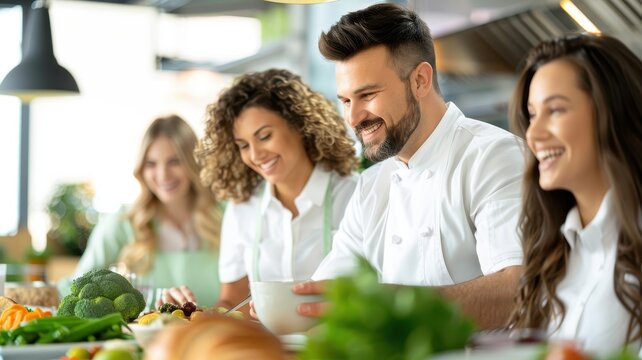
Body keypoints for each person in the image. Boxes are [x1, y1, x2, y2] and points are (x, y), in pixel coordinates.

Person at [293, 3, 525, 329]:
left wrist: (394, 306)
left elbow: (517, 291)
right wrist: (269, 310)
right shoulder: (373, 185)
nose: (353, 117)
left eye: (368, 94)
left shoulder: (493, 156)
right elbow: (328, 292)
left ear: (420, 80)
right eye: (345, 100)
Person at [159, 69, 359, 313]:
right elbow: (232, 304)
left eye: (264, 136)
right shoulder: (243, 207)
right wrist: (190, 312)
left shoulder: (354, 195)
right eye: (243, 145)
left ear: (299, 124)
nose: (255, 155)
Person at [508, 33, 642, 354]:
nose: (533, 134)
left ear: (611, 113)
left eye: (555, 110)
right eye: (532, 114)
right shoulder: (549, 256)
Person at [58, 115, 223, 307]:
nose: (163, 175)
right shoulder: (123, 223)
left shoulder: (225, 217)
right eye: (151, 164)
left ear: (193, 162)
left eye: (174, 161)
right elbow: (76, 287)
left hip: (221, 336)